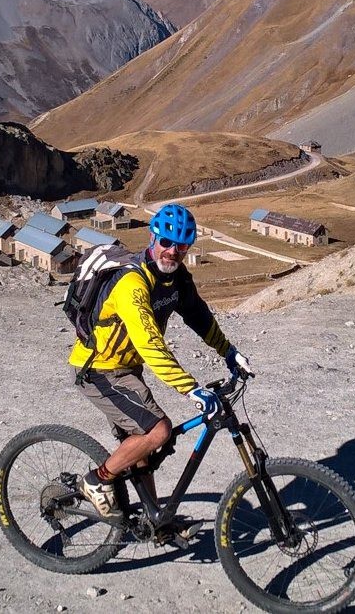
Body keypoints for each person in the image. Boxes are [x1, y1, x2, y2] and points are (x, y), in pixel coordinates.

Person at [70, 203, 253, 523]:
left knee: (142, 445)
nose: (172, 251)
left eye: (181, 245)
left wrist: (229, 352)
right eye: (166, 242)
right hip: (100, 368)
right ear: (152, 239)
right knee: (158, 431)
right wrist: (192, 390)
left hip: (127, 368)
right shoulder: (132, 283)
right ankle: (97, 480)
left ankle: (155, 519)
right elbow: (150, 344)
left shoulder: (178, 279)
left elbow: (199, 316)